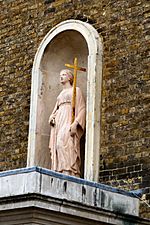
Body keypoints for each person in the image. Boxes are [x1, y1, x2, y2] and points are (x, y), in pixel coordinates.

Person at [48, 69, 86, 177]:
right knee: (58, 145)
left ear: (70, 77)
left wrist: (76, 123)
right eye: (60, 75)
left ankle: (70, 172)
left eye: (64, 75)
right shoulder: (60, 94)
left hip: (69, 120)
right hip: (59, 122)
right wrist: (52, 117)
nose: (61, 77)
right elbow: (55, 109)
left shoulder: (76, 90)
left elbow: (82, 108)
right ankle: (60, 171)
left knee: (67, 143)